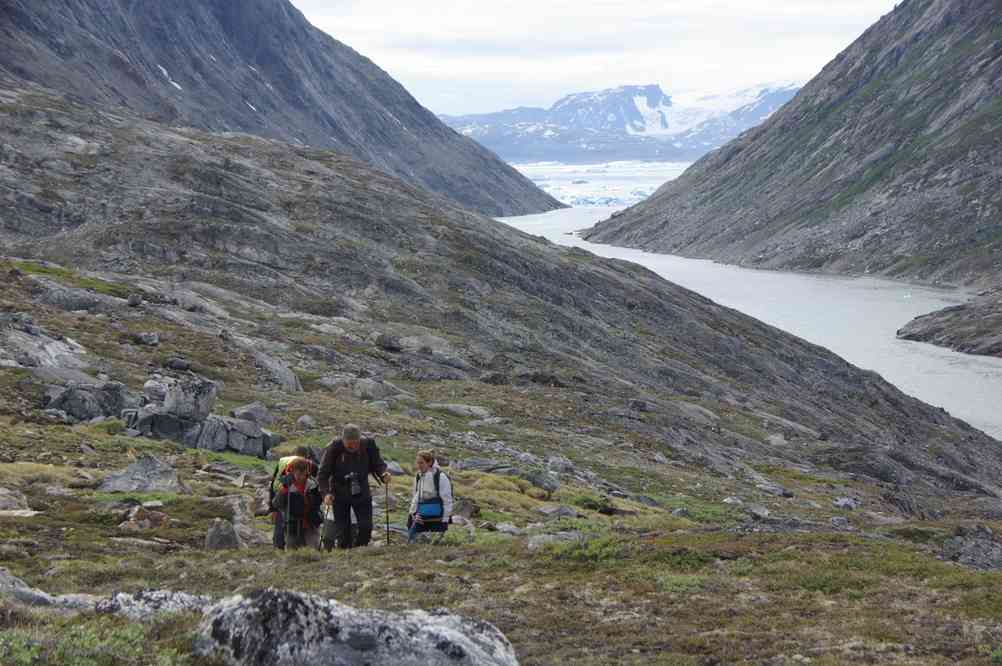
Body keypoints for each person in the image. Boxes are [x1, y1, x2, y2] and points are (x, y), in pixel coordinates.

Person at [318, 424, 390, 549]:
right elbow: (323, 474)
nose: (353, 446)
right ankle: (346, 556)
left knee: (366, 527)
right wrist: (326, 494)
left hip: (361, 490)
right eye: (349, 444)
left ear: (360, 439)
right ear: (343, 440)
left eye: (356, 443)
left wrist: (383, 474)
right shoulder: (334, 448)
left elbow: (378, 463)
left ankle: (358, 550)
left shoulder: (368, 445)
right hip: (339, 492)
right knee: (343, 531)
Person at [269, 446, 317, 549]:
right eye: (297, 475)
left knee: (313, 549)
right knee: (291, 548)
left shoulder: (312, 485)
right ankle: (279, 549)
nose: (299, 478)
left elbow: (318, 501)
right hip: (292, 522)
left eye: (302, 475)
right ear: (292, 472)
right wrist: (282, 492)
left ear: (307, 473)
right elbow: (276, 502)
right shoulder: (286, 485)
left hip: (310, 522)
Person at [407, 450, 453, 544]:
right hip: (420, 517)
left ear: (430, 462)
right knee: (412, 542)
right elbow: (415, 496)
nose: (419, 465)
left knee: (434, 546)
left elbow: (447, 500)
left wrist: (444, 521)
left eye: (421, 463)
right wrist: (413, 514)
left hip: (437, 519)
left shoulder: (441, 477)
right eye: (418, 463)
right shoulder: (418, 476)